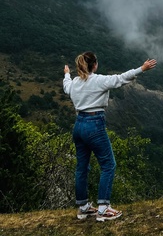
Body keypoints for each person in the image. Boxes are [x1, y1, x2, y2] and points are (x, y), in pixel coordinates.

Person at [63, 51, 157, 222]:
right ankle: (103, 208)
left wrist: (67, 74)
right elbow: (121, 78)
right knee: (108, 165)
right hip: (94, 124)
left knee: (81, 168)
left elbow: (66, 86)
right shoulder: (99, 81)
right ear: (95, 65)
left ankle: (83, 208)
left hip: (78, 125)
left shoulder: (75, 82)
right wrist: (142, 69)